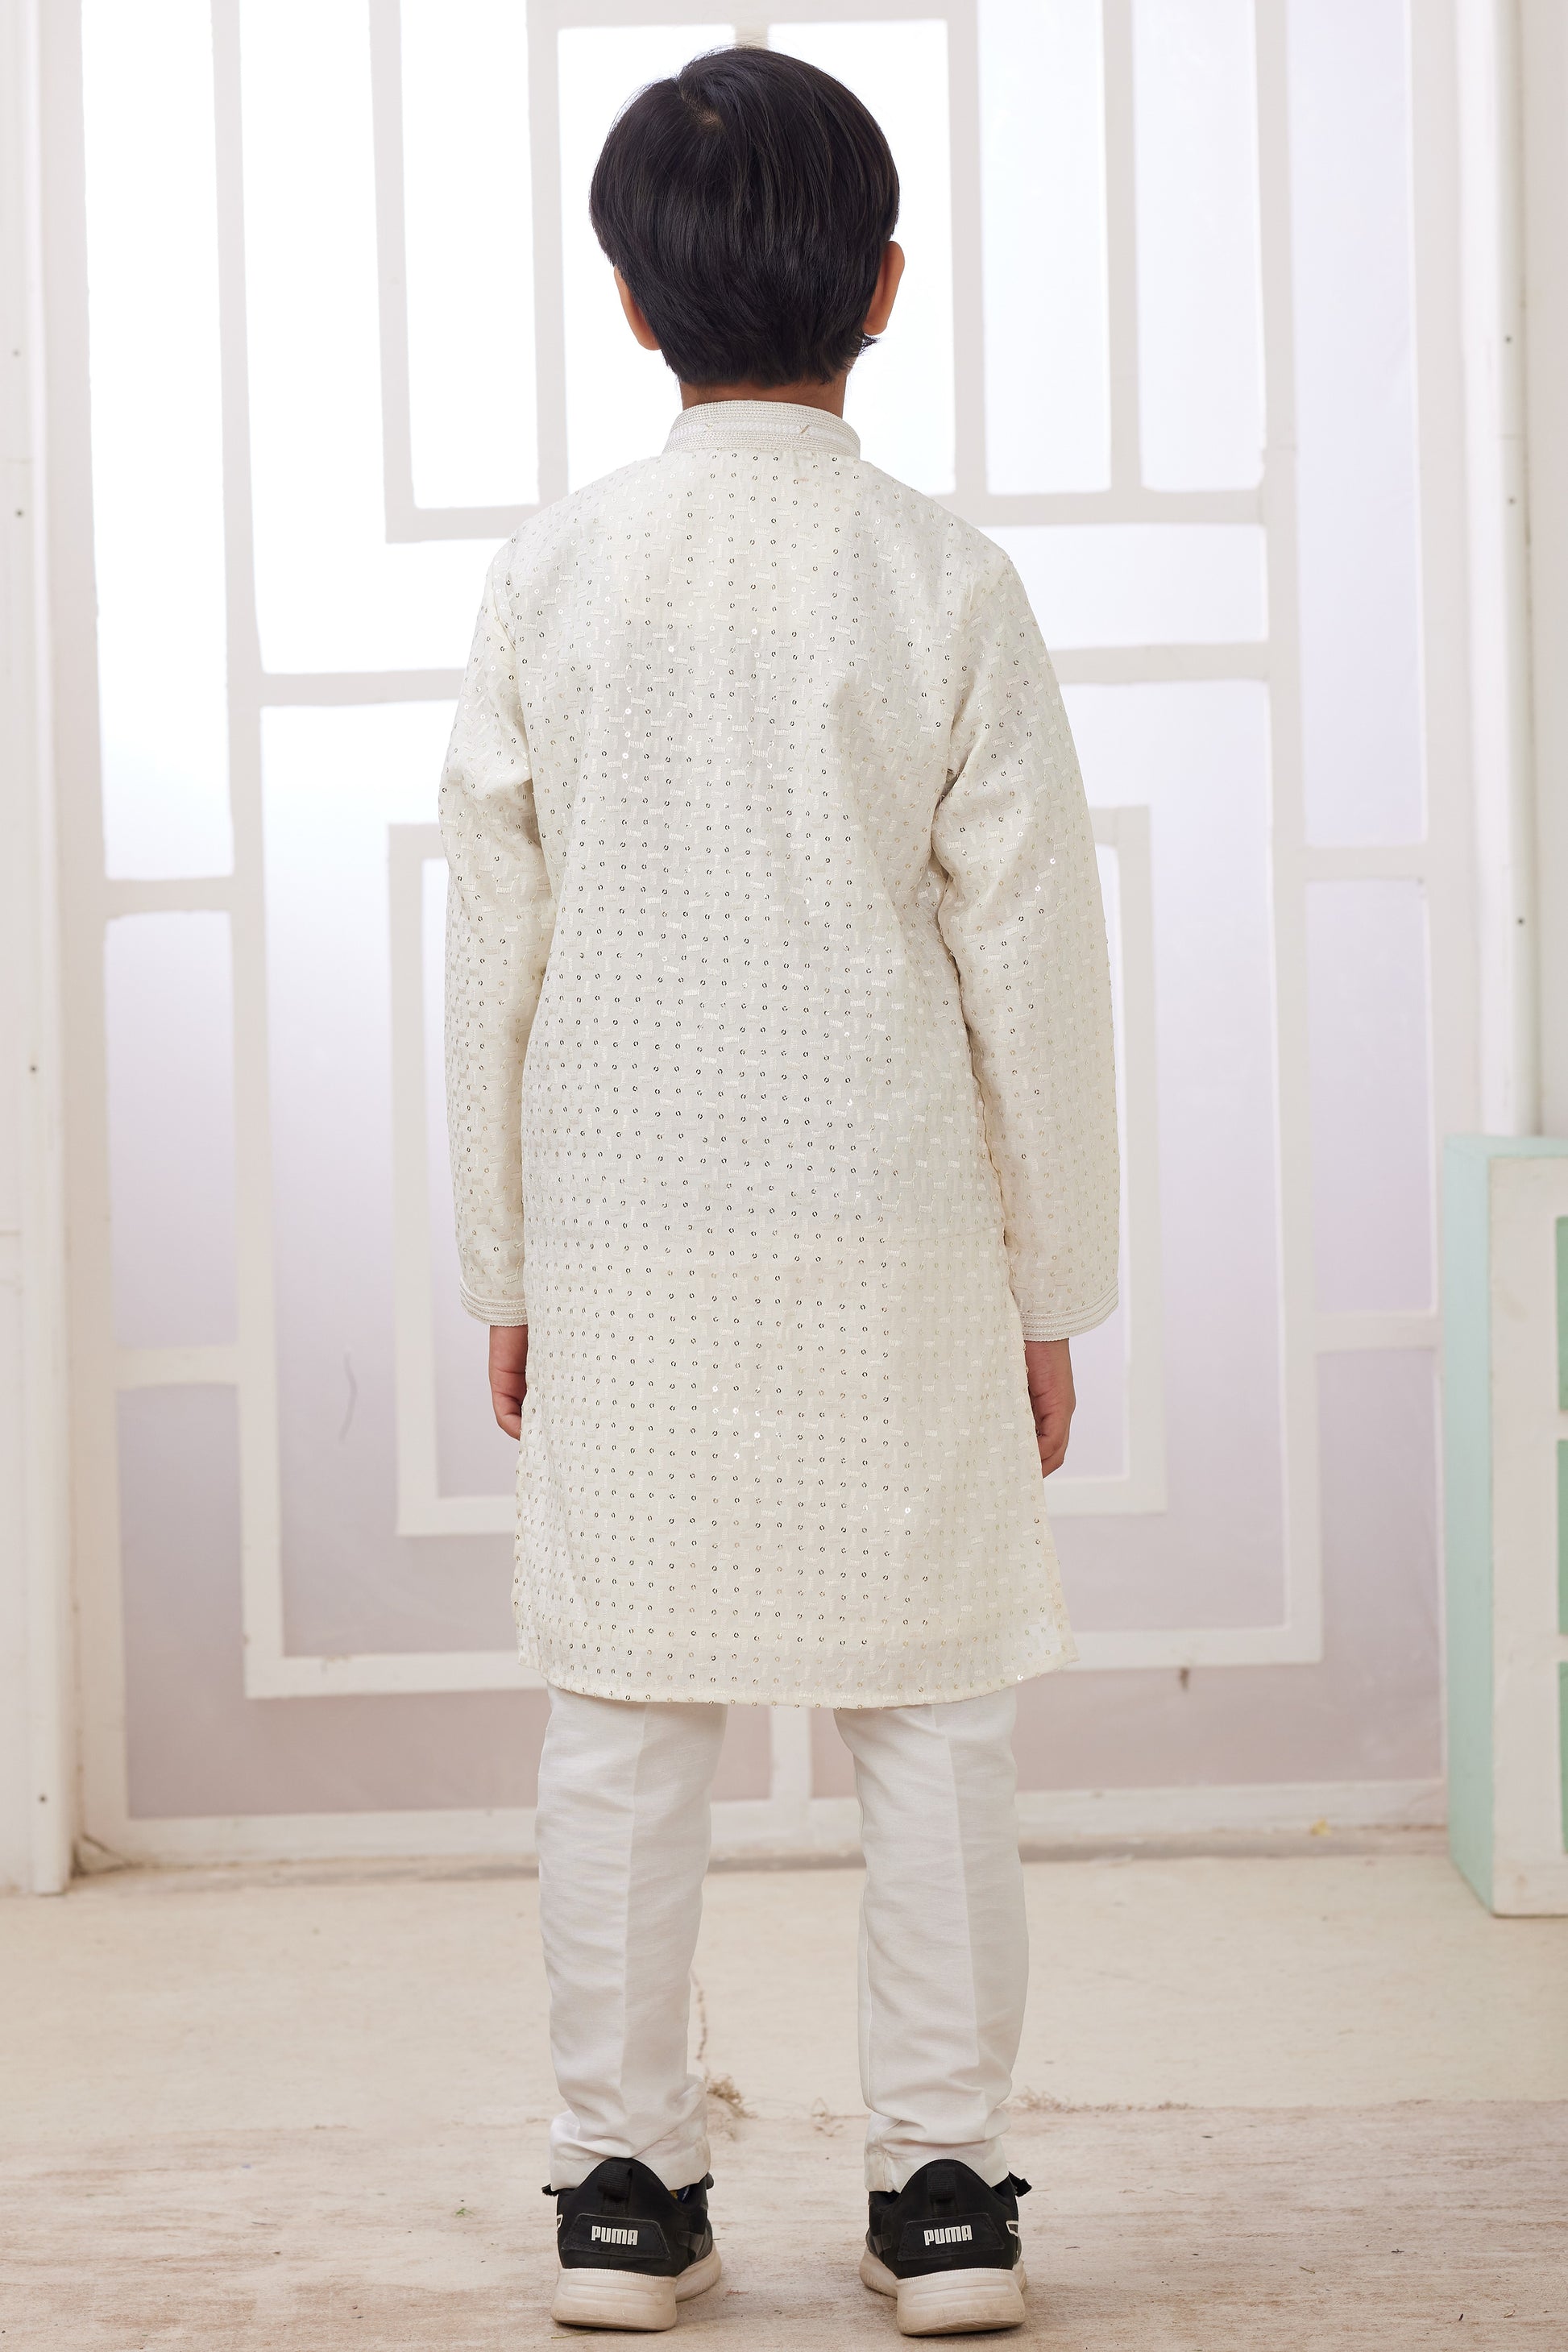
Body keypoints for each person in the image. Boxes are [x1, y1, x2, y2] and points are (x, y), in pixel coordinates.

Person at [440, 44, 1118, 2336]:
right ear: (886, 287)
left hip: (627, 1228)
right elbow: (1030, 965)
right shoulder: (947, 581)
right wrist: (1052, 1281)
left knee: (623, 1721)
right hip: (897, 1230)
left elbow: (497, 957)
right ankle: (944, 2195)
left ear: (632, 304)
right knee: (935, 1715)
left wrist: (502, 1261)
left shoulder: (553, 577)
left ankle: (622, 2191)